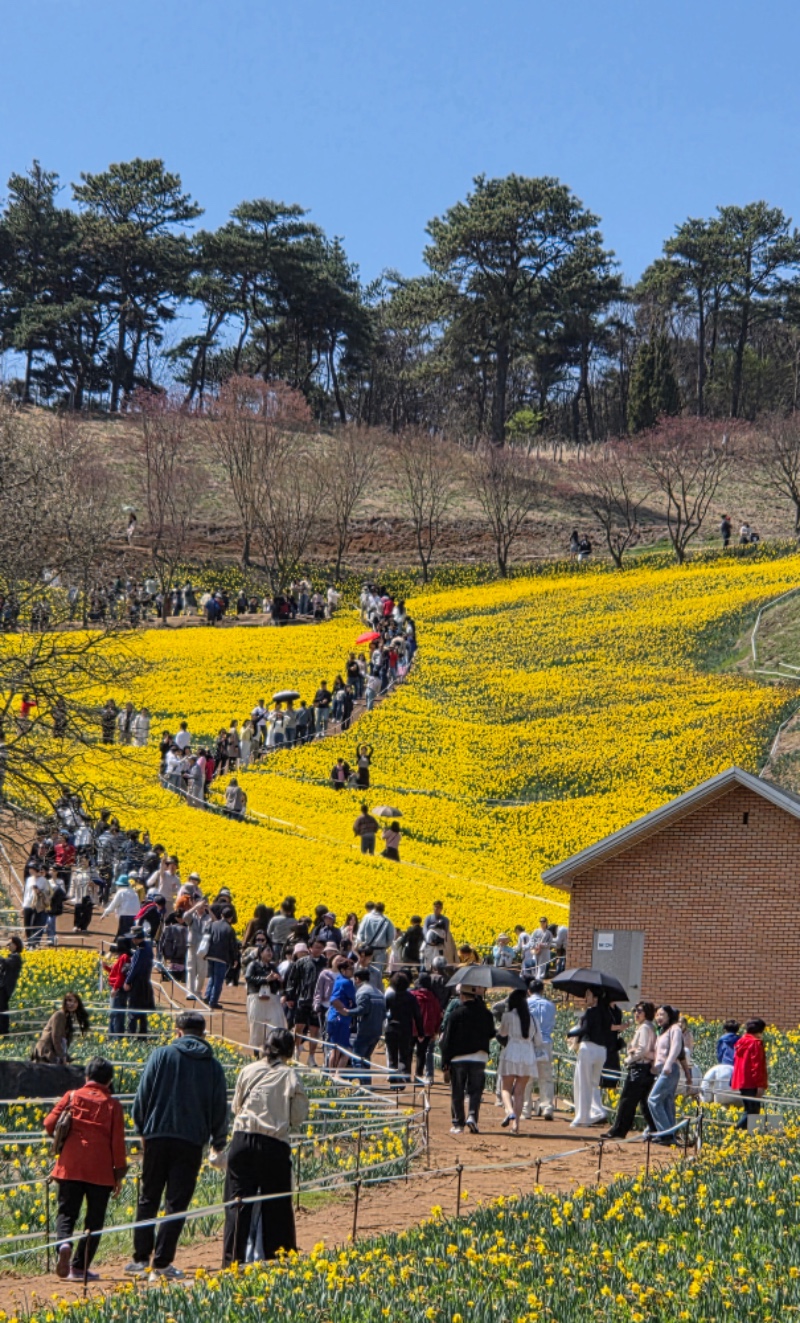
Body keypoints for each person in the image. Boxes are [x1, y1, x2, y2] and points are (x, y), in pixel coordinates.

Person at [127, 1011, 228, 1281]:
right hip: (192, 1141)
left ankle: (139, 1258)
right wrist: (218, 1142)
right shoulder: (213, 1066)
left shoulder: (161, 1055)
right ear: (203, 1035)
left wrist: (141, 1129)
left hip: (157, 1135)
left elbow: (143, 1094)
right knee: (176, 1203)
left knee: (148, 1198)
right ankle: (161, 1263)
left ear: (178, 1031)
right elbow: (220, 1108)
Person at [223, 1028, 309, 1266]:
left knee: (237, 1205)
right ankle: (277, 1261)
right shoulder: (290, 1076)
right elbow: (297, 1116)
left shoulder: (248, 1070)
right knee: (277, 1205)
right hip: (273, 1144)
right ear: (289, 1051)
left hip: (242, 1139)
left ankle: (232, 1263)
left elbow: (236, 1107)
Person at [45, 1056, 127, 1282]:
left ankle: (64, 1243)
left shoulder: (71, 1096)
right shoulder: (113, 1105)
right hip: (100, 1172)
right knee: (95, 1220)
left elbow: (48, 1124)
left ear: (87, 1077)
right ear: (109, 1081)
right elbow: (118, 1144)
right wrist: (118, 1174)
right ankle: (79, 1268)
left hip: (70, 1166)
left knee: (67, 1212)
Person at [440, 986, 495, 1134]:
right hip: (479, 1057)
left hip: (458, 1058)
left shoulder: (456, 1014)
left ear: (462, 996)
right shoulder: (486, 1014)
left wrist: (445, 1062)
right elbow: (491, 1033)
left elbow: (447, 1040)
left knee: (457, 1091)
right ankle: (472, 1117)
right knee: (475, 1090)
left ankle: (458, 1123)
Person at [602, 1002, 657, 1139]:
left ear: (647, 1013)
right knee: (644, 1104)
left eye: (639, 1011)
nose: (636, 1014)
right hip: (646, 1069)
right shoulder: (649, 1027)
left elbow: (642, 1049)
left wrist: (628, 1059)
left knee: (627, 1101)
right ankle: (656, 1131)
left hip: (639, 1068)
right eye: (635, 1011)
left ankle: (618, 1131)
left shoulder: (644, 1028)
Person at [566, 989, 612, 1128]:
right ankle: (596, 1111)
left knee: (583, 1082)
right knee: (593, 1083)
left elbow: (584, 1030)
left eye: (588, 995)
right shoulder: (607, 1013)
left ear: (596, 998)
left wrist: (570, 1033)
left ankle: (582, 1116)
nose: (586, 997)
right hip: (601, 1051)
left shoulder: (591, 1012)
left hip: (588, 1048)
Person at [498, 988, 541, 1133]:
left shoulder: (508, 1016)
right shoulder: (532, 1018)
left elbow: (503, 1033)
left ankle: (509, 1111)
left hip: (512, 1051)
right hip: (528, 1054)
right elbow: (539, 1041)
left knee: (505, 1088)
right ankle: (516, 1125)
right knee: (520, 1092)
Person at [645, 1005, 685, 1145]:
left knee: (653, 1099)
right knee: (666, 1101)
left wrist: (668, 1063)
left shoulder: (675, 1029)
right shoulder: (662, 1031)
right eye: (657, 1015)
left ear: (669, 1016)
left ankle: (665, 1134)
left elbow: (676, 1047)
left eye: (662, 1014)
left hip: (670, 1069)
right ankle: (670, 1135)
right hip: (663, 1069)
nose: (659, 1017)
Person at [243, 936, 286, 1056]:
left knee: (275, 1023)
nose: (270, 953)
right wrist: (265, 979)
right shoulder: (253, 965)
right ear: (260, 953)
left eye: (271, 951)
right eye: (267, 951)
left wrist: (279, 980)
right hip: (257, 997)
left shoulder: (273, 967)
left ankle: (271, 1050)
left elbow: (278, 985)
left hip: (271, 998)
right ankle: (256, 1052)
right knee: (257, 1025)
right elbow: (248, 978)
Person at [521, 979, 556, 1121]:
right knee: (546, 1078)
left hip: (529, 1042)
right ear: (542, 991)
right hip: (546, 1042)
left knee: (526, 1078)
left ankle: (526, 1109)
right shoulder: (550, 1005)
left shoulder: (525, 1004)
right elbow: (552, 1023)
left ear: (529, 991)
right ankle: (547, 1107)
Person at [384, 971, 424, 1086]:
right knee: (403, 1056)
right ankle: (401, 1079)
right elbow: (417, 1015)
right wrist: (420, 1032)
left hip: (391, 1028)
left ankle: (392, 1077)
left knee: (392, 1055)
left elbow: (384, 1011)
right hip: (406, 1029)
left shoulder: (390, 996)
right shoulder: (411, 998)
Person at [731, 1018, 768, 1129]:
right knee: (753, 1111)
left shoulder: (740, 1042)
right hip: (752, 1082)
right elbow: (757, 1066)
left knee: (749, 1110)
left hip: (742, 1081)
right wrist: (760, 1085)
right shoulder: (755, 1043)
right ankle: (736, 1131)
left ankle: (745, 1135)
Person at [31, 993, 90, 1064]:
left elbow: (63, 1040)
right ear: (65, 1002)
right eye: (69, 1001)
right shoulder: (59, 1015)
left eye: (75, 1002)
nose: (72, 1004)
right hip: (46, 1053)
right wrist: (62, 1056)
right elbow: (56, 1037)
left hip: (54, 1052)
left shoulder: (68, 1017)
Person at [351, 968, 386, 1085]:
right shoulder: (379, 992)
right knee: (366, 1059)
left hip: (364, 1029)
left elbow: (362, 1009)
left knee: (356, 1058)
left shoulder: (362, 992)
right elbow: (385, 1012)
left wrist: (347, 1012)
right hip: (377, 1031)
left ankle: (364, 1086)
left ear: (357, 979)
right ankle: (367, 1085)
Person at [411, 971, 443, 1084]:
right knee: (422, 1053)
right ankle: (418, 1076)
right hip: (427, 1031)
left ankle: (404, 1075)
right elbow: (437, 1015)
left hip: (412, 1029)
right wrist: (436, 1030)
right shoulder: (433, 998)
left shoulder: (413, 995)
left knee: (408, 1052)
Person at [204, 906, 239, 1009]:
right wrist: (235, 959)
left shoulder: (213, 924)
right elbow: (233, 947)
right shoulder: (230, 929)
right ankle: (213, 1001)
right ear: (231, 917)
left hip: (210, 955)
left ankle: (207, 996)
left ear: (221, 915)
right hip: (222, 957)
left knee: (212, 977)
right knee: (218, 980)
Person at [326, 956, 357, 1071]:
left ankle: (333, 1076)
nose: (352, 971)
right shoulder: (346, 982)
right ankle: (335, 1075)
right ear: (343, 970)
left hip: (335, 1018)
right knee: (341, 1049)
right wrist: (345, 1010)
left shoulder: (339, 979)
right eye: (350, 969)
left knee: (337, 1049)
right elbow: (334, 999)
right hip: (340, 1019)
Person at [124, 926, 154, 1036]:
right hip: (146, 983)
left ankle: (131, 1035)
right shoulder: (148, 947)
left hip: (137, 984)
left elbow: (135, 967)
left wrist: (128, 981)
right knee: (142, 1011)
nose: (132, 940)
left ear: (137, 938)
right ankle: (143, 1035)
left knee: (133, 1011)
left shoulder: (140, 951)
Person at [102, 875, 140, 939]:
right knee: (132, 933)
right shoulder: (134, 893)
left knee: (123, 934)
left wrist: (105, 913)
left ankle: (121, 947)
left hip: (124, 916)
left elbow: (114, 904)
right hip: (135, 916)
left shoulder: (120, 892)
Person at [0, 936, 23, 1036]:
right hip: (3, 987)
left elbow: (6, 963)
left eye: (10, 944)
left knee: (2, 1010)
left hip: (6, 988)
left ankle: (4, 1031)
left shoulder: (16, 957)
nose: (8, 946)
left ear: (16, 945)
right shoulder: (11, 956)